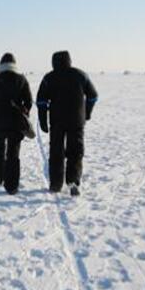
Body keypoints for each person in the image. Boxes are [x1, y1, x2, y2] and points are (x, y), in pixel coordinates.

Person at [36, 51, 98, 196]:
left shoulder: (49, 78)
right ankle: (73, 181)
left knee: (56, 151)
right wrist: (87, 113)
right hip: (77, 120)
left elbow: (41, 102)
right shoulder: (81, 75)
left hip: (57, 121)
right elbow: (93, 96)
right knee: (75, 150)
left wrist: (43, 120)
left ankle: (56, 184)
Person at [0, 53, 33, 194]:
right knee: (13, 152)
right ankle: (11, 186)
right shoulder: (21, 79)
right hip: (16, 122)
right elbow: (28, 101)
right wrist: (24, 112)